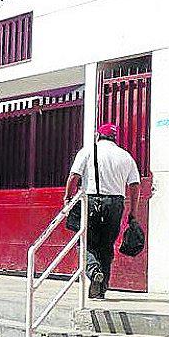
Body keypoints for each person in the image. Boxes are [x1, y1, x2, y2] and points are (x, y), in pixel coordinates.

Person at [64, 122, 141, 299]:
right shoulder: (126, 156)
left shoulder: (88, 151)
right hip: (116, 203)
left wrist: (67, 199)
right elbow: (135, 185)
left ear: (98, 136)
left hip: (92, 200)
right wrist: (133, 212)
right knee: (106, 247)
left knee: (85, 242)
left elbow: (74, 176)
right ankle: (101, 288)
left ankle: (93, 270)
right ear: (115, 138)